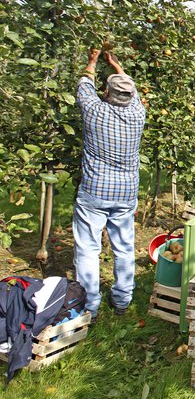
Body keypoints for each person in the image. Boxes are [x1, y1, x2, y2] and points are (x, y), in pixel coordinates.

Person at [73, 48, 146, 323]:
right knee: (124, 247)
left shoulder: (94, 111)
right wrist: (118, 67)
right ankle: (122, 301)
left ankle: (90, 307)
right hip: (125, 193)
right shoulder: (138, 115)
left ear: (106, 92)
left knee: (88, 248)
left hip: (94, 192)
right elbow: (132, 92)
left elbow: (84, 85)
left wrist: (93, 60)